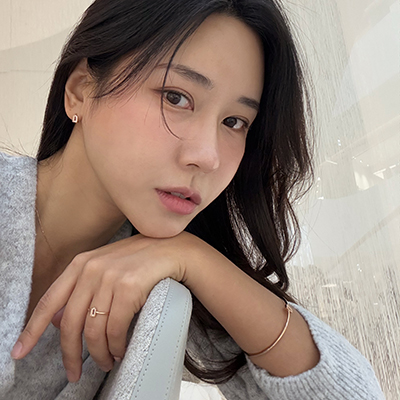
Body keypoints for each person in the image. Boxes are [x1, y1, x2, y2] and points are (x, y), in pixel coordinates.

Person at [0, 0, 385, 399]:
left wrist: (193, 257)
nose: (207, 156)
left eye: (234, 122)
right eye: (176, 97)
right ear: (81, 90)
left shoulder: (156, 278)